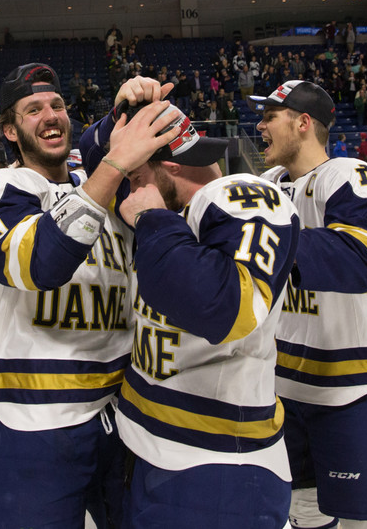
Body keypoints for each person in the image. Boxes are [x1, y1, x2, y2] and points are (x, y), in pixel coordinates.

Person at [0, 64, 182, 527]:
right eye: (33, 109)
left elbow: (120, 156)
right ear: (10, 130)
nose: (50, 116)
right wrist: (114, 163)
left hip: (121, 415)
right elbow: (40, 263)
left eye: (57, 105)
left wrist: (127, 108)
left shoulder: (100, 188)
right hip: (35, 423)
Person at [102, 102, 299, 527]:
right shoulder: (178, 211)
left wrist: (153, 217)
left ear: (168, 165)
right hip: (150, 450)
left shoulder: (241, 195)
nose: (130, 191)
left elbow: (223, 309)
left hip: (216, 470)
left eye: (136, 178)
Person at [252, 81, 367, 529]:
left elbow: (365, 261)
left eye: (270, 117)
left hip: (356, 389)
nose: (259, 126)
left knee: (366, 521)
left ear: (303, 124)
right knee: (302, 511)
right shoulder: (265, 186)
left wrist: (262, 240)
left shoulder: (350, 176)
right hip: (284, 389)